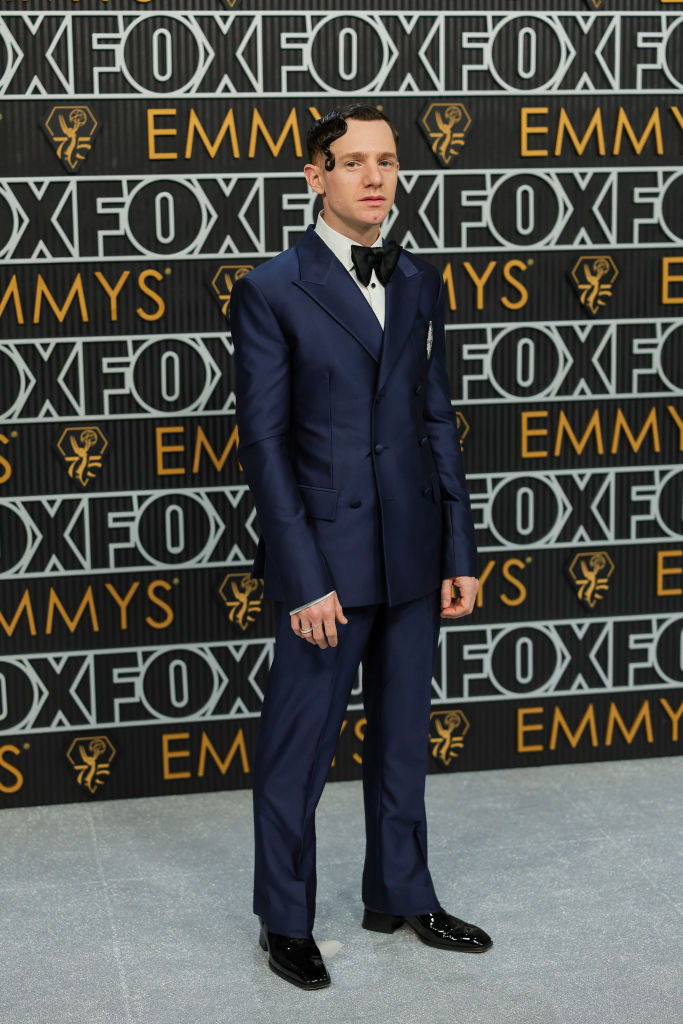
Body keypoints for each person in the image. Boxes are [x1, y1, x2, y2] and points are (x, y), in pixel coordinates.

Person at [230, 103, 491, 990]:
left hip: (414, 552)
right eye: (352, 162)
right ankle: (285, 919)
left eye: (386, 161)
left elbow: (434, 420)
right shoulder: (271, 288)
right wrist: (302, 578)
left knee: (403, 740)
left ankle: (401, 894)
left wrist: (458, 549)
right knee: (296, 752)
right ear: (314, 177)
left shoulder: (418, 279)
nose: (374, 177)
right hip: (326, 566)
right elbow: (263, 448)